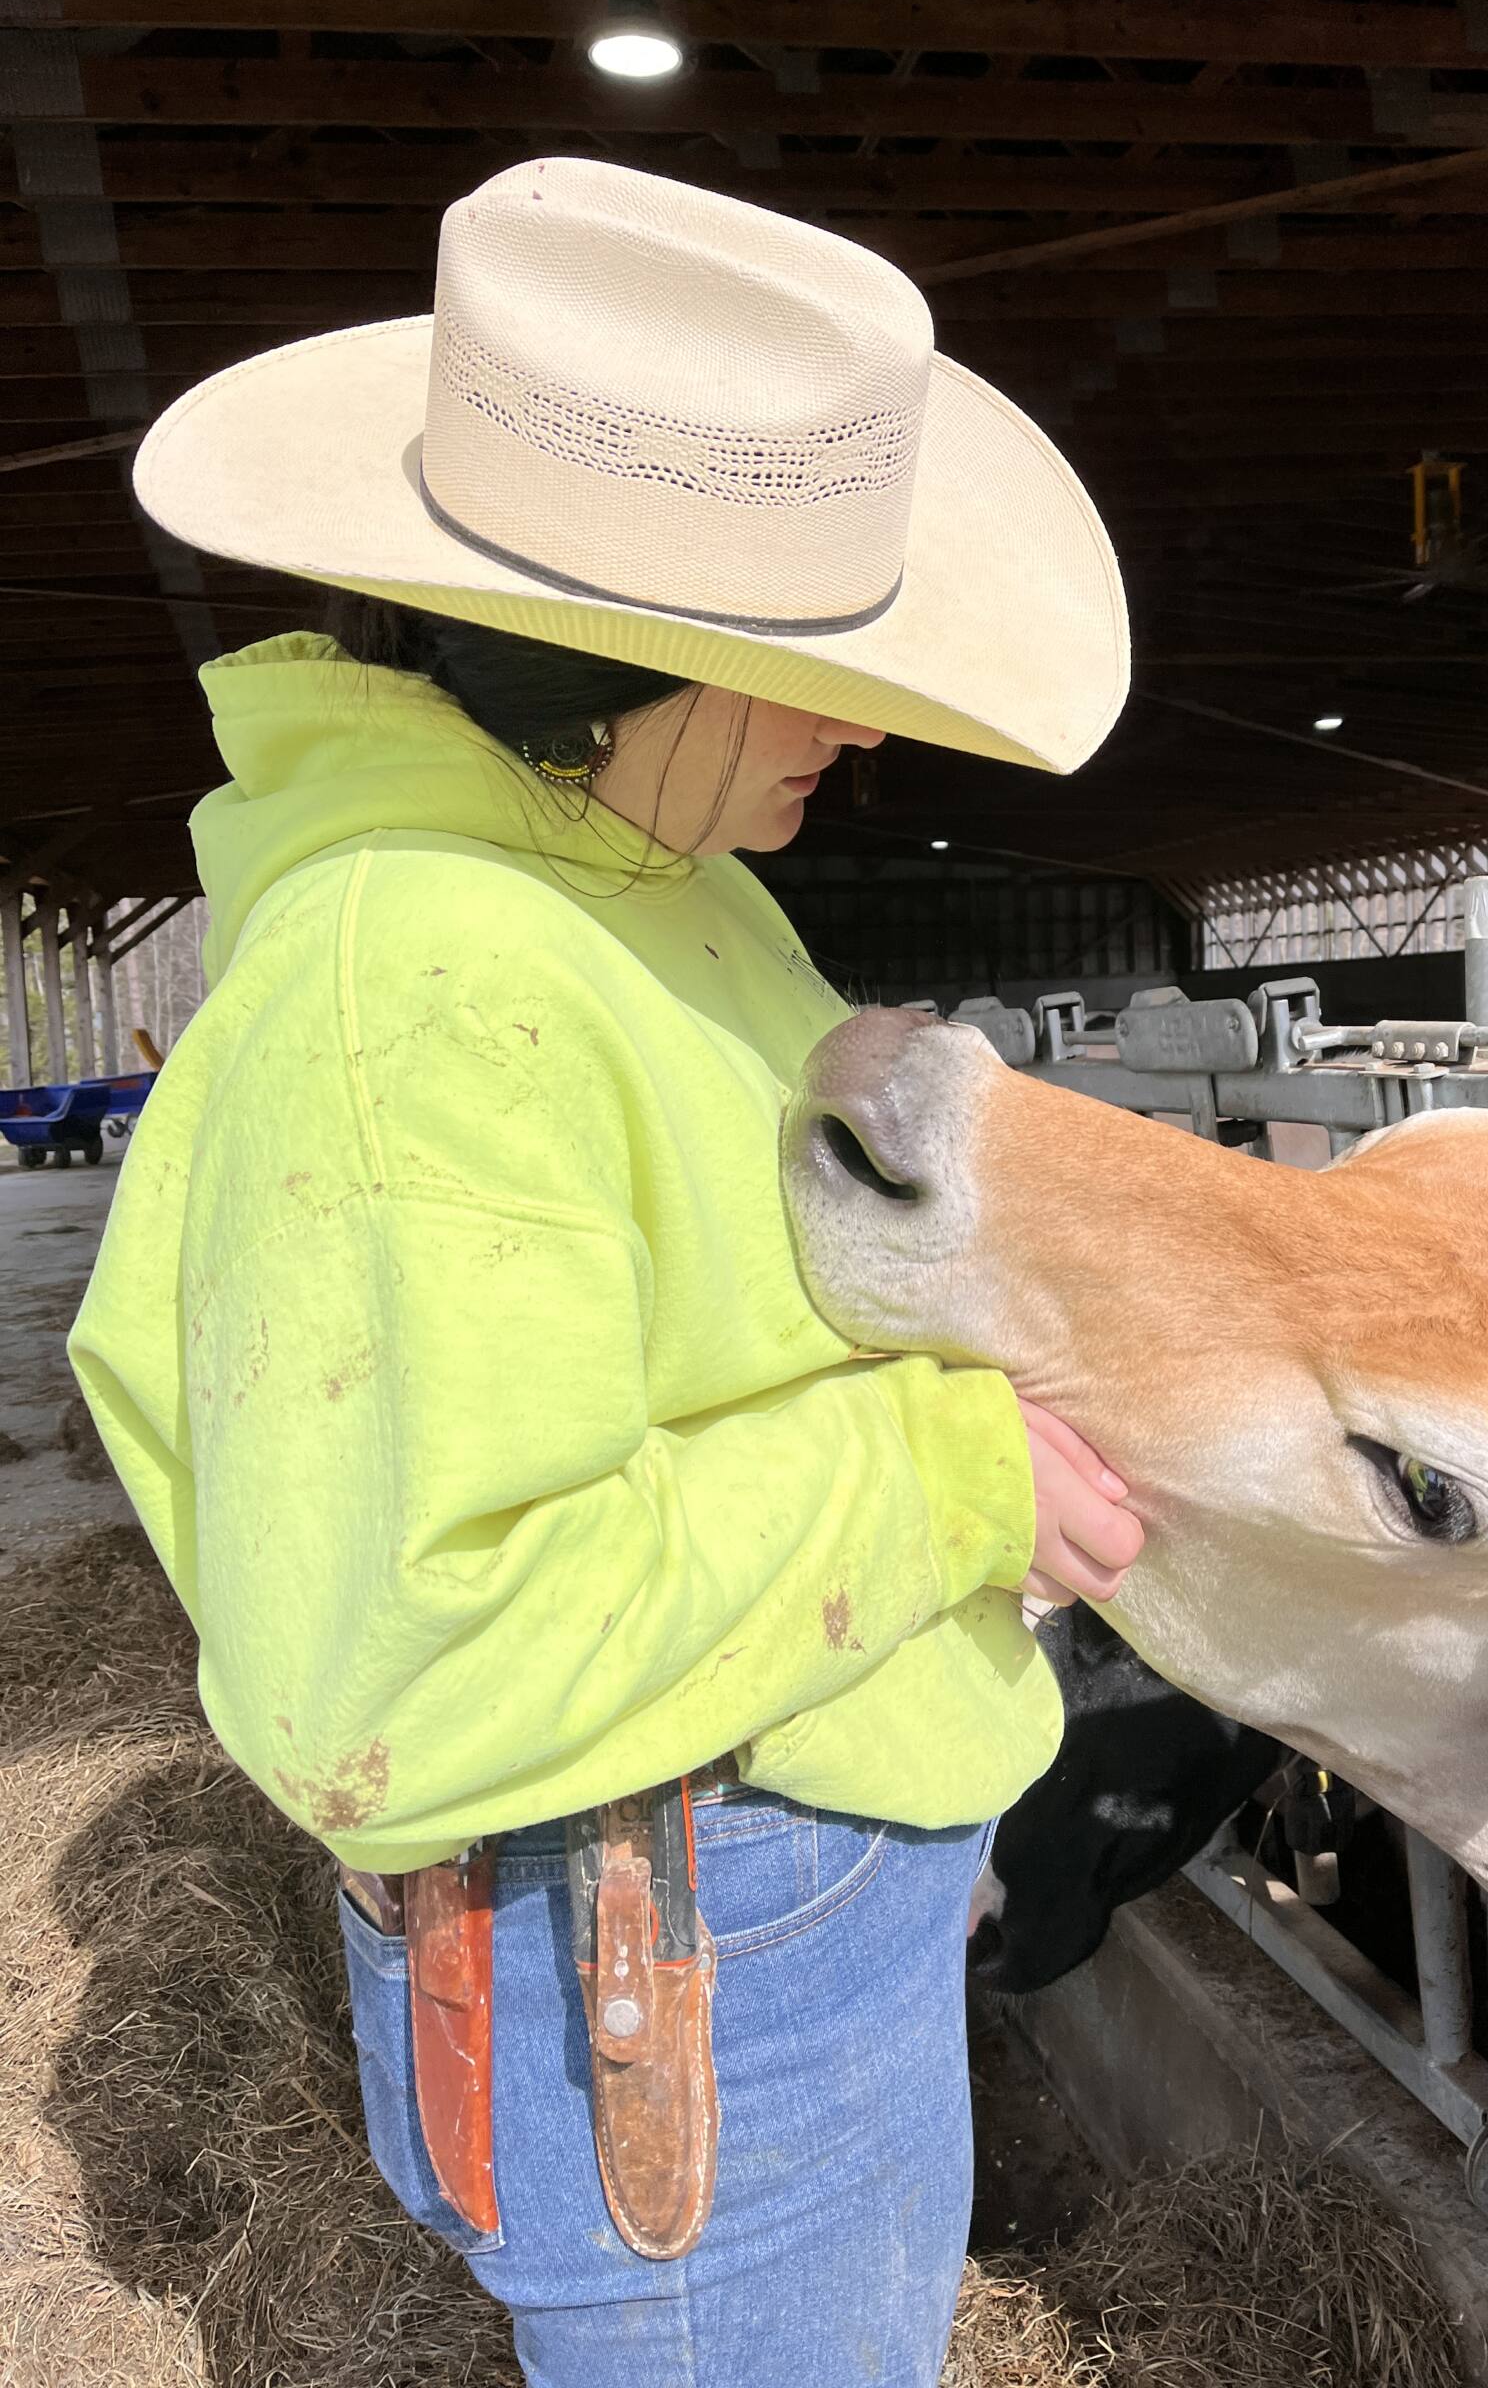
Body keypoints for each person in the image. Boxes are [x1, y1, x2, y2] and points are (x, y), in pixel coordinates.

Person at [69, 160, 1138, 2388]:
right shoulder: (431, 972)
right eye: (806, 666)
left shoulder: (653, 873)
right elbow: (408, 1651)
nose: (870, 720)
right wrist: (952, 1485)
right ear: (602, 655)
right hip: (683, 1936)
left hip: (772, 1877)